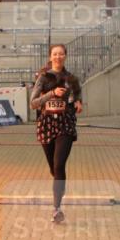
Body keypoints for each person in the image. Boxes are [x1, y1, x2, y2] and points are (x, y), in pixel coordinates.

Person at [30, 44, 82, 224]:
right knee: (54, 168)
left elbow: (77, 96)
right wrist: (51, 94)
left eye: (61, 54)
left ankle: (56, 208)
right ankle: (58, 187)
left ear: (65, 56)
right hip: (46, 125)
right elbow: (33, 103)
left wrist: (78, 103)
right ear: (50, 57)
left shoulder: (72, 79)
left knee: (59, 165)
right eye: (55, 54)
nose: (58, 57)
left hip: (65, 125)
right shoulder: (43, 78)